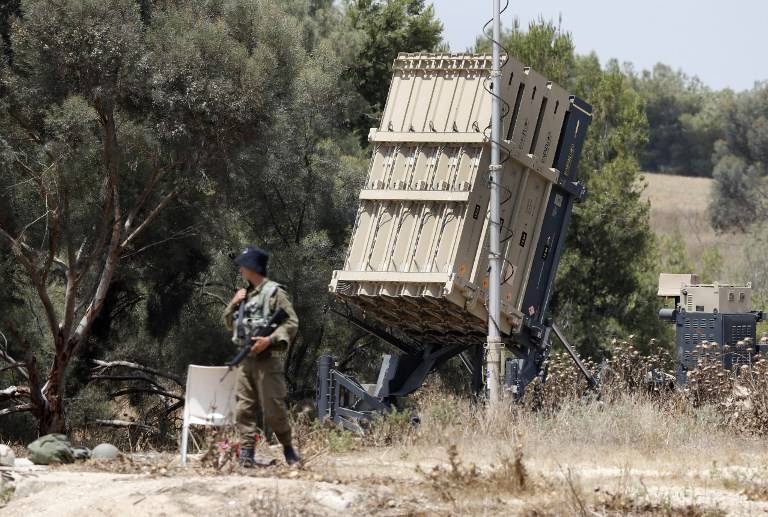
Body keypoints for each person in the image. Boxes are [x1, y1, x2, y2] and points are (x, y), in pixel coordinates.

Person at [223, 246, 301, 466]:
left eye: (242, 266)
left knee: (273, 407)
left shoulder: (275, 293)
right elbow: (229, 323)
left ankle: (287, 448)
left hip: (267, 360)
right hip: (245, 359)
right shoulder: (244, 295)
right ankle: (246, 453)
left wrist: (270, 340)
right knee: (244, 408)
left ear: (252, 268)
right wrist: (234, 302)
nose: (240, 270)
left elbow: (292, 322)